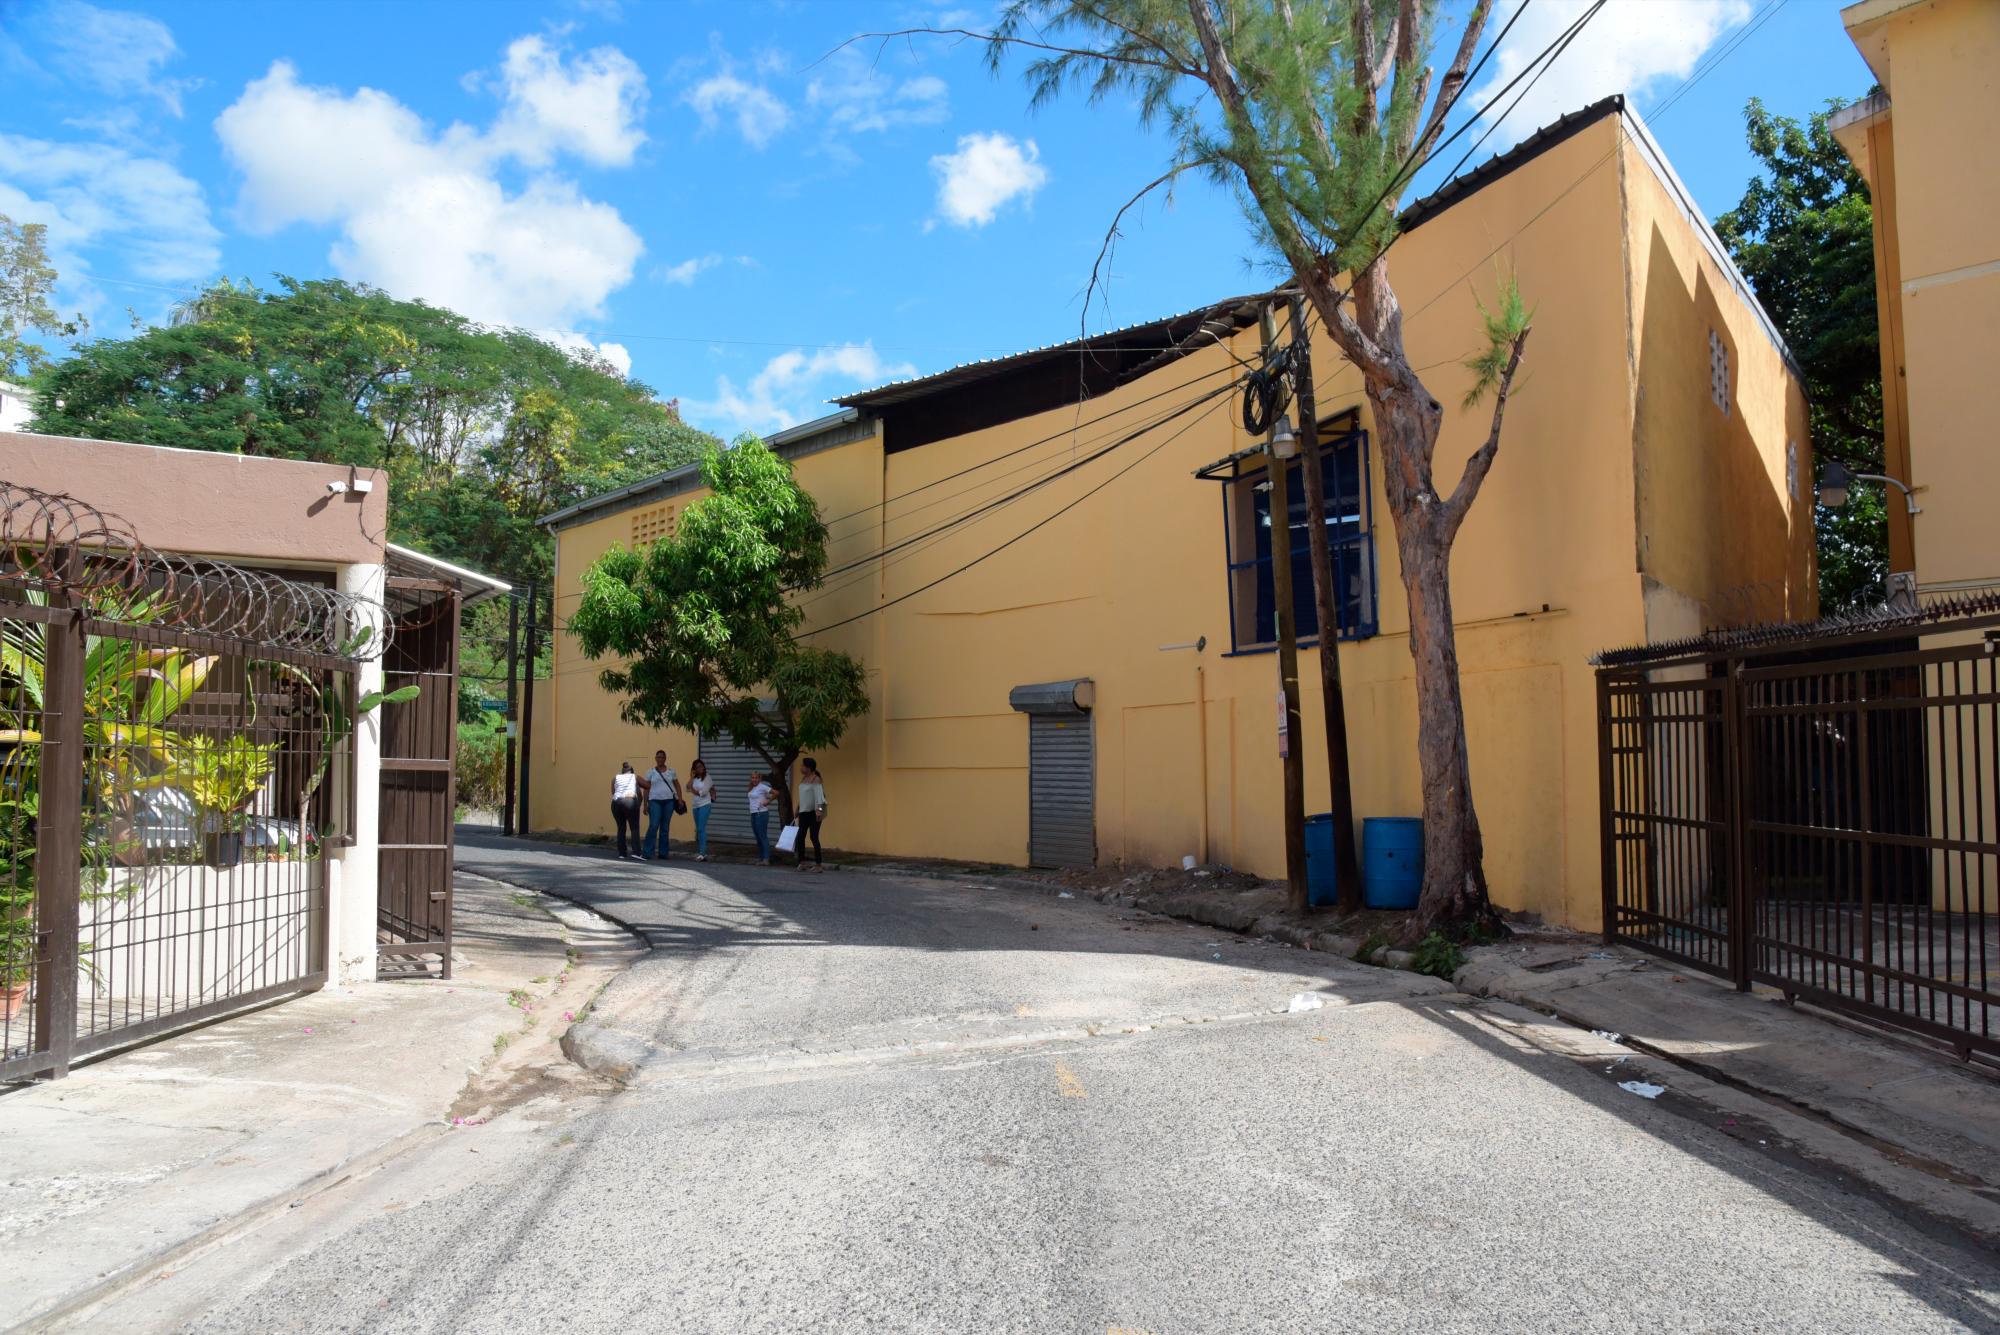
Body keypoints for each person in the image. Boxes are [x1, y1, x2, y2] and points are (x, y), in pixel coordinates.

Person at [641, 750, 679, 860]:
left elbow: (677, 785)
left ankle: (663, 853)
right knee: (653, 825)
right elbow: (646, 789)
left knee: (665, 828)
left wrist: (680, 799)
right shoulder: (650, 772)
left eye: (662, 757)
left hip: (669, 802)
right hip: (654, 801)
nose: (660, 759)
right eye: (658, 757)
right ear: (655, 758)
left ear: (665, 758)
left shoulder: (671, 771)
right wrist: (645, 804)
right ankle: (648, 852)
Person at [794, 757, 826, 872]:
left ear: (808, 768)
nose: (801, 768)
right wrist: (797, 808)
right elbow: (802, 797)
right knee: (800, 836)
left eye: (802, 766)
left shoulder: (816, 779)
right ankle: (802, 862)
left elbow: (820, 797)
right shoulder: (803, 779)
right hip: (803, 812)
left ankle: (818, 864)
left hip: (814, 813)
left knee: (814, 837)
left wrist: (819, 811)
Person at [610, 762, 640, 859]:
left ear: (622, 771)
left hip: (616, 803)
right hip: (629, 802)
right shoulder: (634, 777)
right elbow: (645, 788)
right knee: (634, 827)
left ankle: (622, 853)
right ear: (632, 772)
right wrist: (638, 804)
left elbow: (614, 792)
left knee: (621, 828)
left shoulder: (616, 777)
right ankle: (636, 852)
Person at [686, 759, 714, 861]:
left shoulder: (707, 777)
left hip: (705, 804)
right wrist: (692, 777)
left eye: (701, 766)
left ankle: (702, 853)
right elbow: (687, 787)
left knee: (701, 828)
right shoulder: (695, 778)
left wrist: (693, 790)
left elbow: (703, 792)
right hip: (695, 806)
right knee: (699, 829)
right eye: (697, 767)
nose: (699, 768)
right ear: (694, 769)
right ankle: (701, 852)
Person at [747, 771, 774, 865]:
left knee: (762, 836)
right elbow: (763, 796)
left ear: (760, 779)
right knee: (758, 837)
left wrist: (768, 802)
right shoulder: (752, 787)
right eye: (753, 777)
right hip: (753, 814)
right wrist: (766, 798)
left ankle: (766, 859)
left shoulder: (763, 786)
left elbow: (776, 793)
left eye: (756, 778)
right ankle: (761, 858)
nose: (754, 779)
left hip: (761, 814)